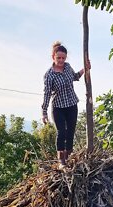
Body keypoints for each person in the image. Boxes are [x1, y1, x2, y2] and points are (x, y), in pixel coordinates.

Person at [41, 41, 90, 169]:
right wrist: (44, 112)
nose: (61, 60)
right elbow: (46, 94)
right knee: (61, 132)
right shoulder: (49, 75)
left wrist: (85, 69)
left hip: (72, 104)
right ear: (53, 57)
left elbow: (75, 77)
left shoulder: (67, 67)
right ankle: (61, 160)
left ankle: (68, 157)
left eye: (63, 58)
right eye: (58, 58)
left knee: (71, 132)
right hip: (58, 107)